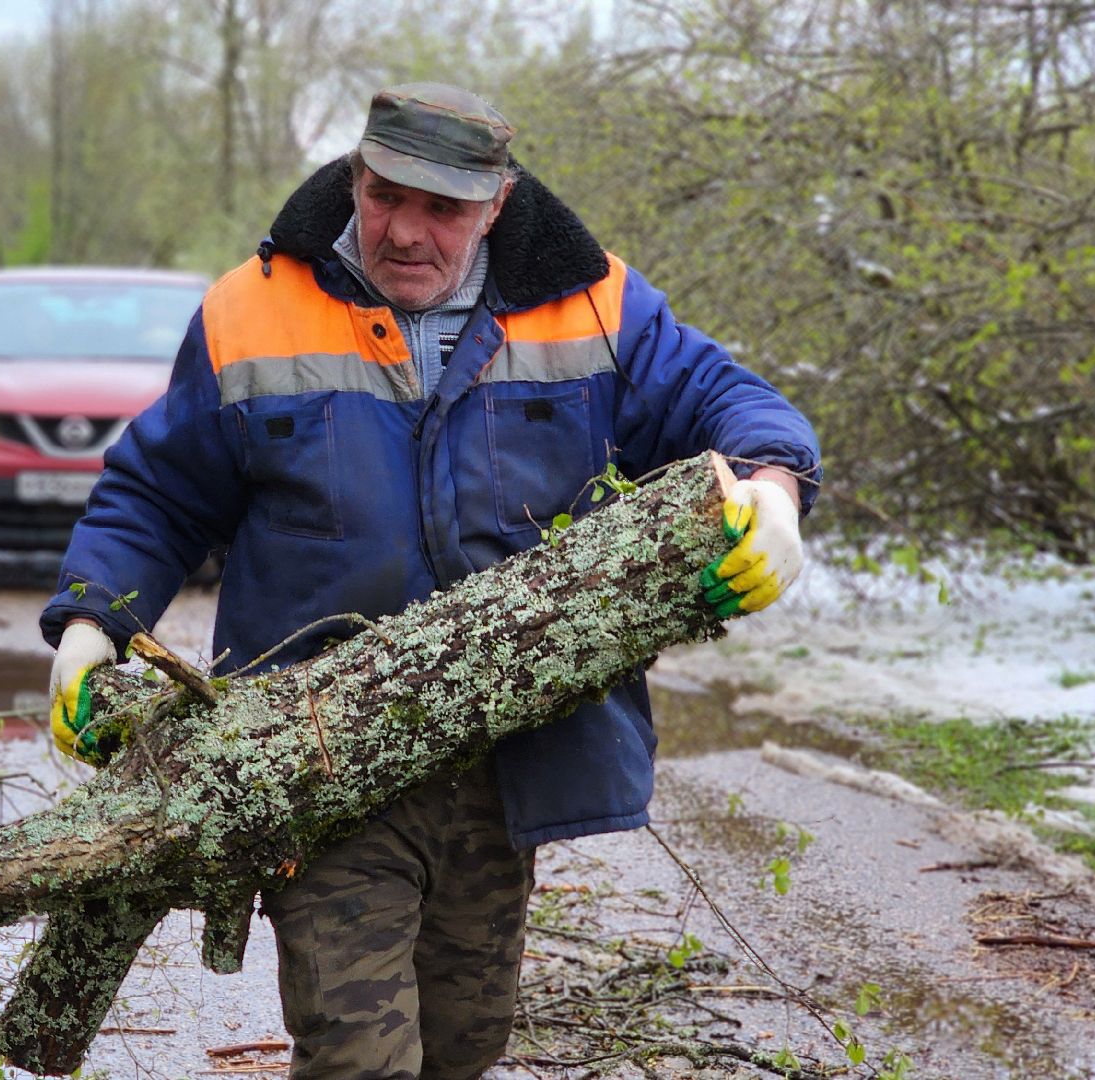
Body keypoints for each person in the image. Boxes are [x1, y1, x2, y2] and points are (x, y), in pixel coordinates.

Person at [40, 84, 820, 1077]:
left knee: (460, 1049)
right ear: (355, 177)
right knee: (359, 1059)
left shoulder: (592, 300)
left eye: (441, 209)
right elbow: (157, 494)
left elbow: (733, 400)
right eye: (382, 196)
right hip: (315, 768)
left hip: (503, 767)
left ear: (496, 203)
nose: (403, 232)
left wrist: (774, 490)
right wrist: (91, 623)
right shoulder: (250, 310)